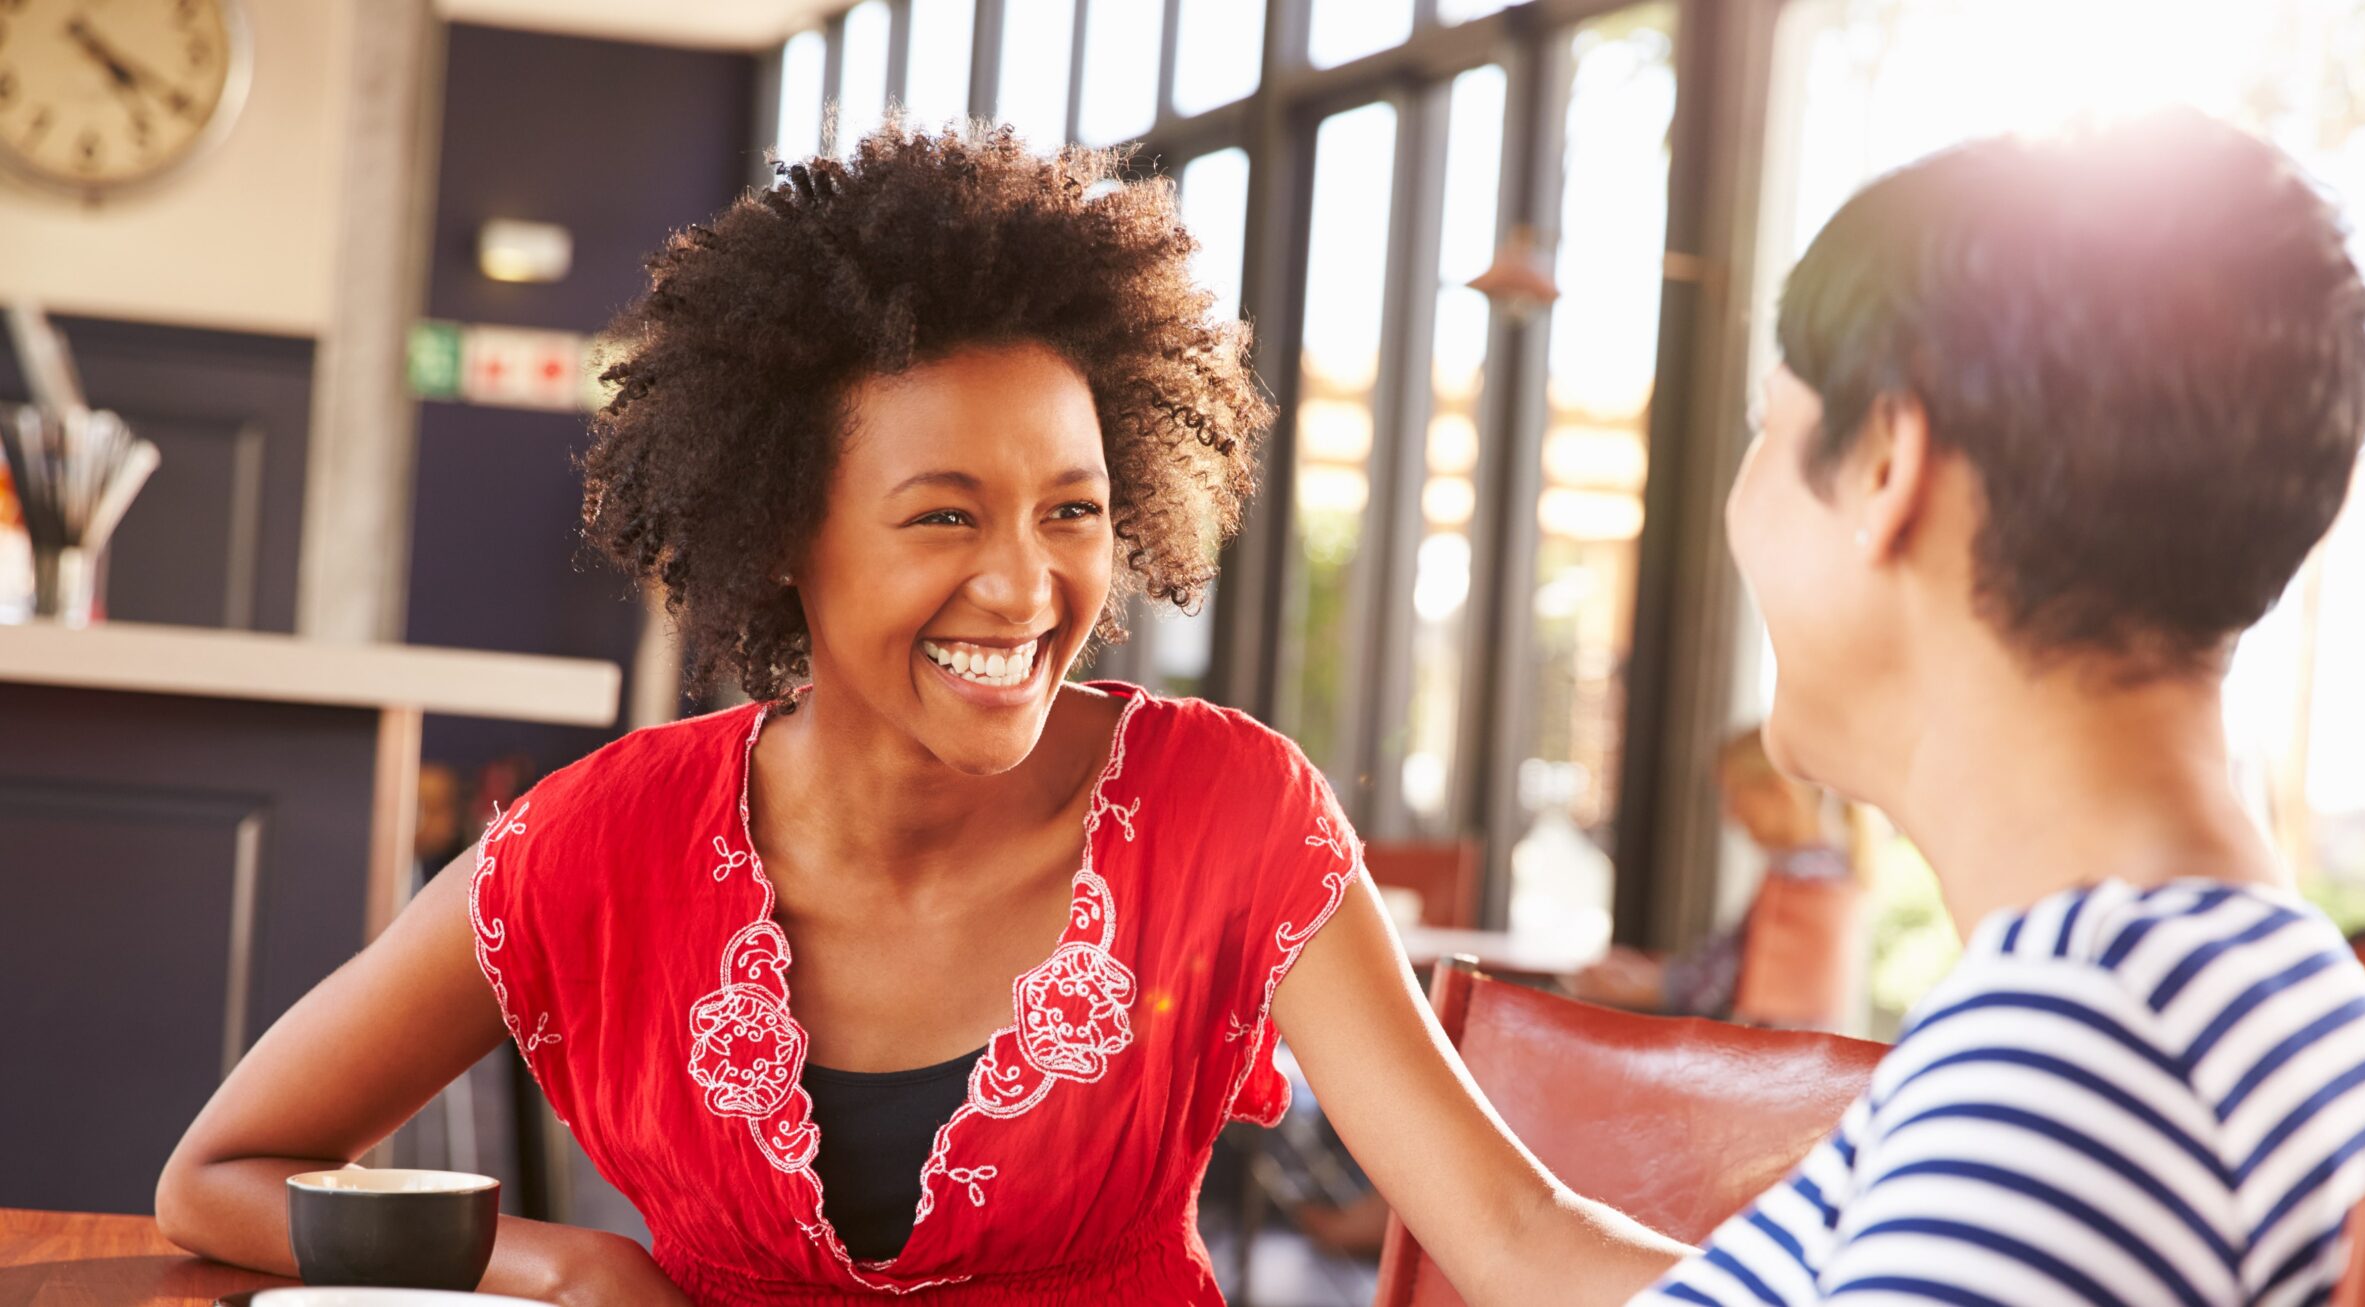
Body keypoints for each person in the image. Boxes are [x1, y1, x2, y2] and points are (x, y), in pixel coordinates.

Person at [155, 123, 1689, 1305]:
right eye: (943, 518)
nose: (1025, 589)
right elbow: (219, 1171)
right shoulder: (596, 842)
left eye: (1073, 510)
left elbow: (1513, 1224)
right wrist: (564, 1265)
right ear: (779, 534)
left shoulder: (1234, 811)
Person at [1634, 109, 2365, 1305]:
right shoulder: (2233, 973)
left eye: (1764, 422)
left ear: (1890, 459)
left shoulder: (2077, 1056)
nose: (1743, 500)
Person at [1570, 726, 1865, 1031]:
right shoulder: (1822, 870)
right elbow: (1733, 960)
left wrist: (1644, 985)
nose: (1730, 815)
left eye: (1735, 795)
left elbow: (1727, 983)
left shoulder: (1806, 879)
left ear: (1778, 792)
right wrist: (1652, 973)